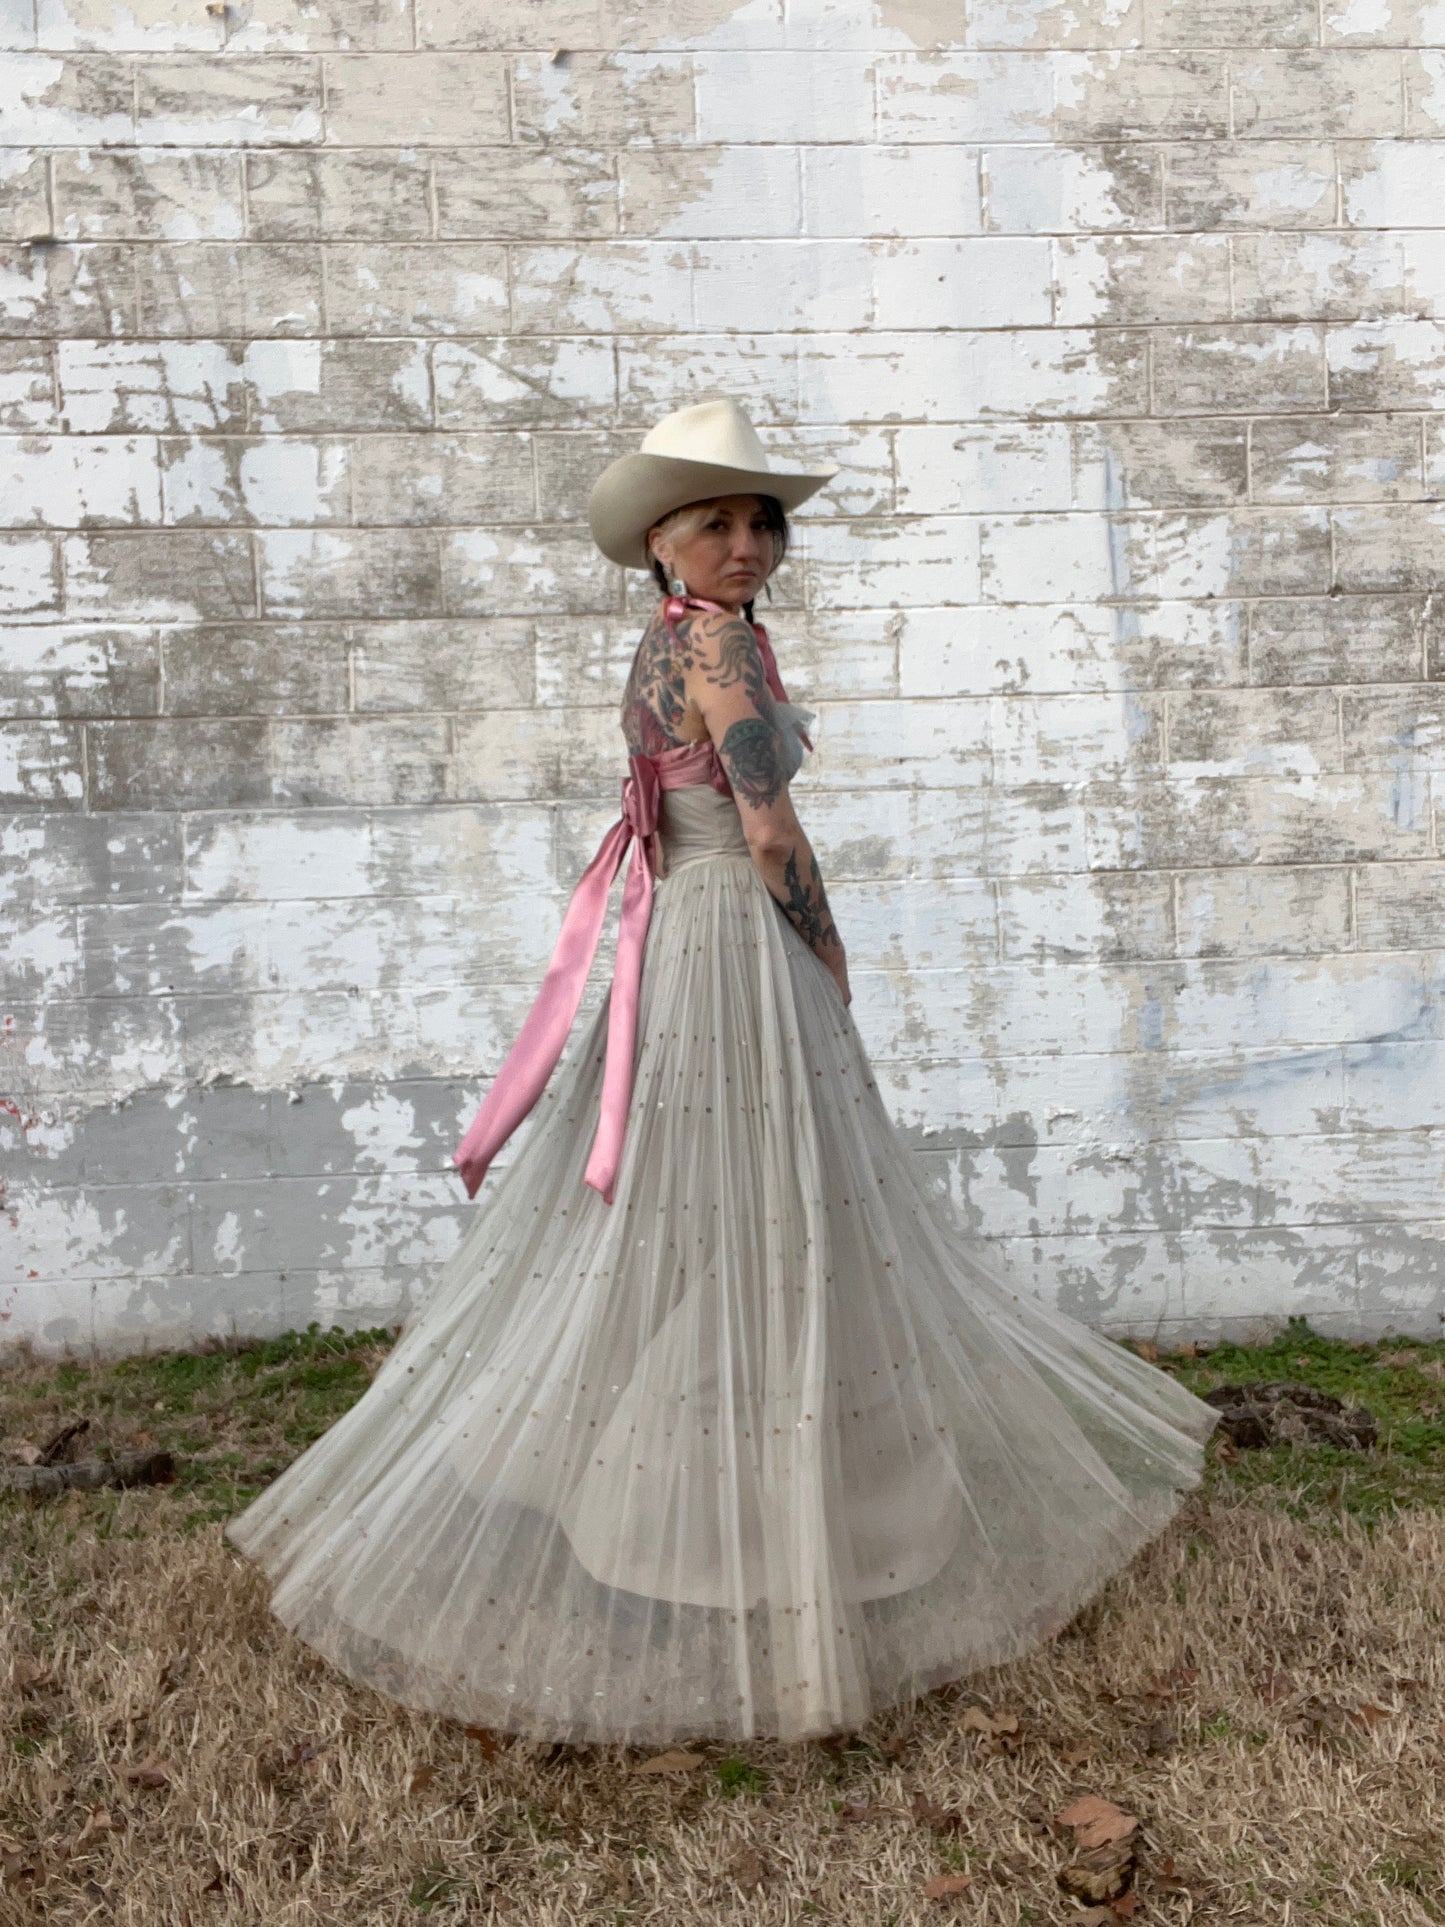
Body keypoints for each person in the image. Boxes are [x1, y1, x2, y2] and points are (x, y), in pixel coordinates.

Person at [226, 397, 1216, 1746]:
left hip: (669, 929)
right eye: (717, 522)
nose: (747, 542)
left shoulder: (660, 642)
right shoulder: (719, 647)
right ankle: (736, 1521)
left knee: (689, 1202)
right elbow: (764, 829)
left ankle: (651, 1491)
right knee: (771, 1205)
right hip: (733, 939)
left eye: (762, 521)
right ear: (661, 539)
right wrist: (828, 945)